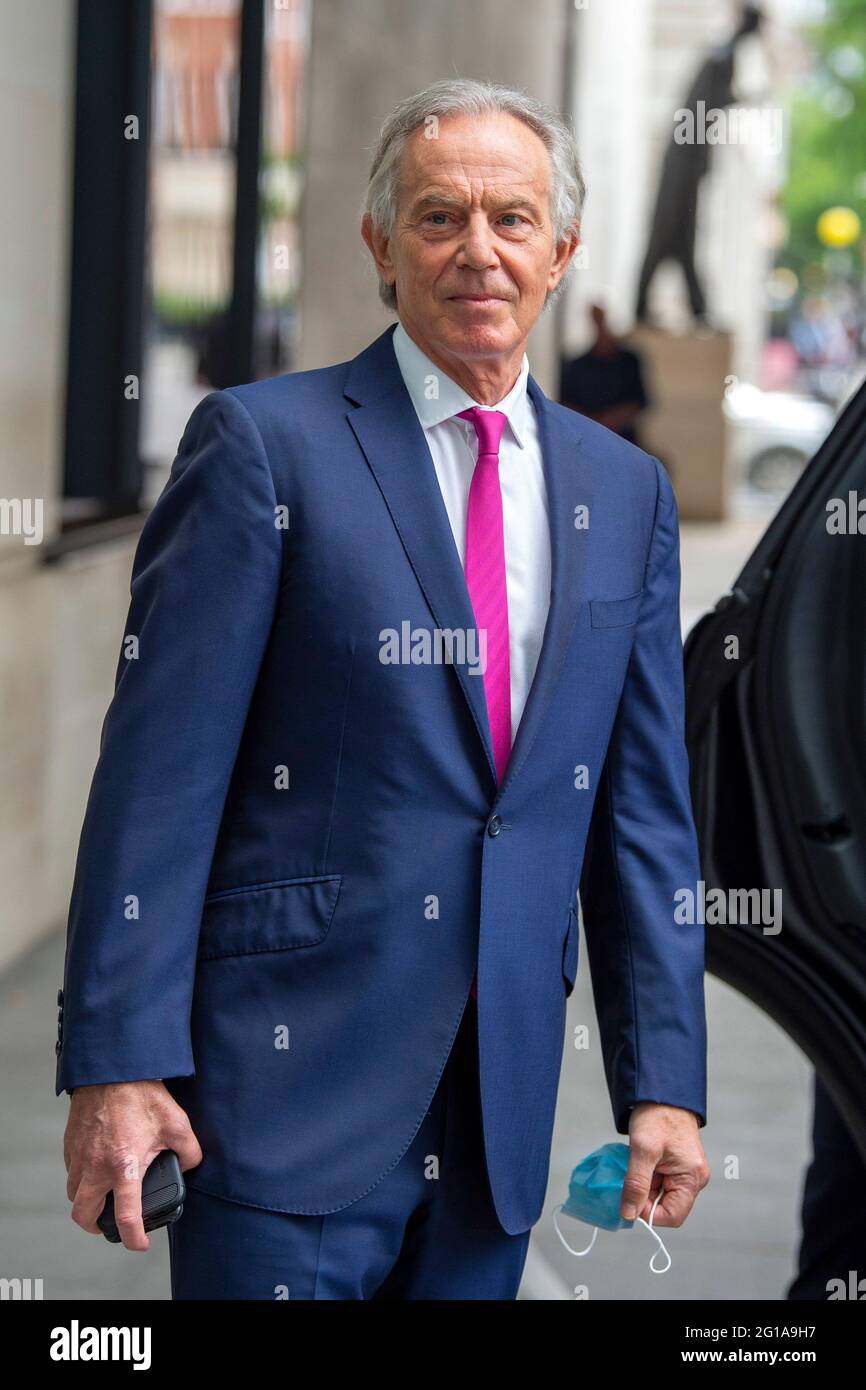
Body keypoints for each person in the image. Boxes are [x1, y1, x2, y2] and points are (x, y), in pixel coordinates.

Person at [57, 78, 709, 1301]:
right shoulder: (262, 447)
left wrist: (661, 1082)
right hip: (280, 1102)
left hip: (492, 1122)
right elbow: (157, 786)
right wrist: (119, 1064)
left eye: (511, 220)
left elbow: (641, 819)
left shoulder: (624, 494)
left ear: (561, 251)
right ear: (379, 243)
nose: (477, 252)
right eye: (437, 216)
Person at [560, 303, 651, 447]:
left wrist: (611, 420)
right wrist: (593, 423)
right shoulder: (577, 365)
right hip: (586, 440)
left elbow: (640, 401)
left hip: (623, 441)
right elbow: (565, 403)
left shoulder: (629, 361)